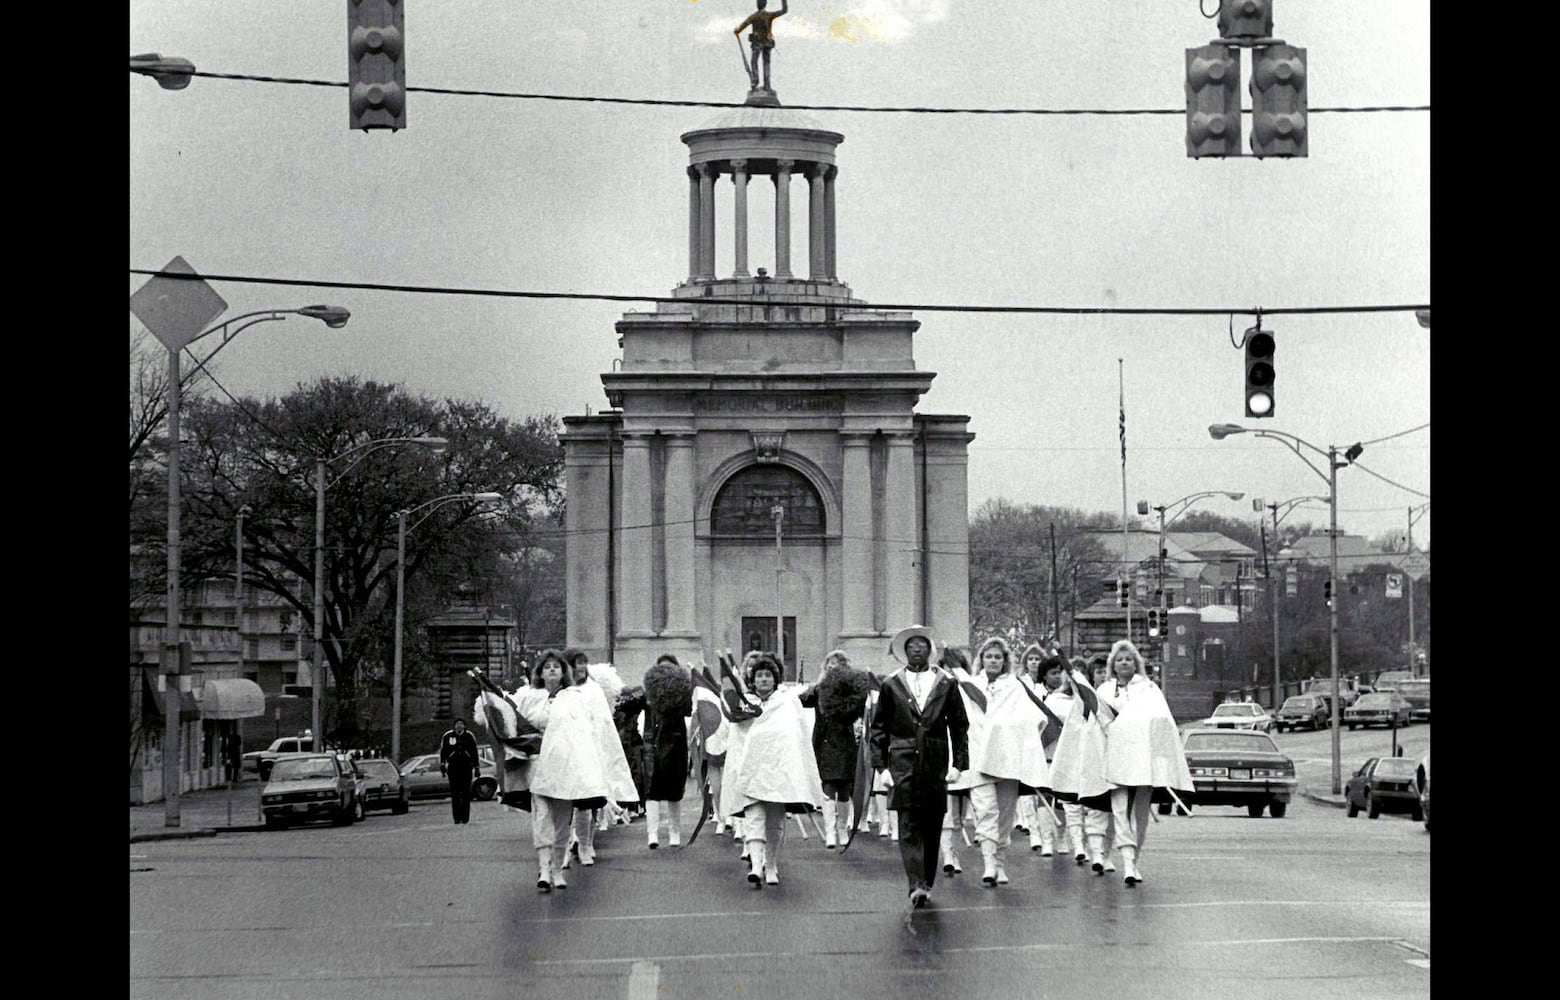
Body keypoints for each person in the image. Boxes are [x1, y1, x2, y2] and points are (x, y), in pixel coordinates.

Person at [478, 650, 640, 892]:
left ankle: (557, 869)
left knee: (563, 821)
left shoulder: (573, 697)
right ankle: (544, 868)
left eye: (556, 666)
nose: (552, 670)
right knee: (542, 817)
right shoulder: (530, 697)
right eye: (547, 667)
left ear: (563, 672)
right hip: (538, 764)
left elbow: (584, 732)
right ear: (540, 673)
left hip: (565, 766)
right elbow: (515, 725)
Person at [868, 625, 971, 910]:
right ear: (904, 651)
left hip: (936, 761)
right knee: (909, 824)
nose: (917, 649)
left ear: (930, 649)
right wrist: (882, 767)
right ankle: (915, 884)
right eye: (911, 645)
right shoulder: (891, 684)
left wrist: (959, 764)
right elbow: (878, 730)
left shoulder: (946, 683)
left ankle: (926, 880)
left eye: (922, 644)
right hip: (902, 763)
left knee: (932, 823)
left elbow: (960, 726)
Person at [718, 652, 824, 888]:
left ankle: (772, 864)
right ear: (752, 680)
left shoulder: (787, 703)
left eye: (768, 675)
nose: (763, 680)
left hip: (778, 771)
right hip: (751, 772)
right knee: (754, 818)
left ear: (775, 680)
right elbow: (737, 741)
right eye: (759, 676)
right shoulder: (743, 705)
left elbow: (796, 736)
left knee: (775, 822)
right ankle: (756, 866)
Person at [1095, 639, 1194, 887]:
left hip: (1142, 760)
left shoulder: (1149, 689)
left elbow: (1161, 720)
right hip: (1116, 758)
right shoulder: (1105, 690)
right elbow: (1098, 719)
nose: (1124, 663)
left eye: (1129, 658)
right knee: (1119, 811)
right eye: (1120, 659)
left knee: (1140, 814)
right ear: (1113, 665)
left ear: (1136, 663)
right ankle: (1124, 858)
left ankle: (1133, 860)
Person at [965, 636, 1052, 887]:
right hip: (977, 756)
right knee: (985, 811)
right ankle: (988, 863)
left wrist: (1008, 729)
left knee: (1005, 814)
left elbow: (1029, 719)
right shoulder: (969, 685)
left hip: (1006, 757)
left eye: (997, 657)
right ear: (981, 659)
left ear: (1005, 661)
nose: (993, 661)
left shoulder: (1014, 687)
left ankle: (1000, 861)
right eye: (988, 656)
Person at [797, 650, 873, 848]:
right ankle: (830, 831)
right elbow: (802, 701)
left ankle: (842, 828)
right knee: (828, 785)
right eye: (829, 663)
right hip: (824, 742)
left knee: (844, 788)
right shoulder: (819, 689)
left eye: (837, 663)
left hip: (845, 741)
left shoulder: (849, 692)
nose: (832, 666)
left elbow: (859, 705)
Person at [617, 654, 694, 849]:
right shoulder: (648, 694)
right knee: (652, 789)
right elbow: (627, 704)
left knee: (674, 790)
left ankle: (674, 833)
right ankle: (652, 833)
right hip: (653, 745)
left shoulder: (682, 693)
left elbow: (688, 709)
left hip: (676, 744)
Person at [1034, 655, 1084, 859]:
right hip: (1048, 754)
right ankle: (1046, 839)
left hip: (1070, 757)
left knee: (1068, 800)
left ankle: (1064, 838)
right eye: (1054, 673)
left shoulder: (1082, 701)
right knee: (1046, 798)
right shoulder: (1052, 699)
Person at [734, 0, 788, 92]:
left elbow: (743, 25)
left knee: (754, 61)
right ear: (765, 4)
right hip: (767, 43)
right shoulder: (769, 15)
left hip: (757, 43)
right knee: (766, 63)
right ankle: (767, 86)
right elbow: (784, 10)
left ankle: (755, 82)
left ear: (758, 5)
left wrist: (737, 30)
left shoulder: (754, 16)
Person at [438, 718, 482, 825]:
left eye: (461, 724)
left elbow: (474, 752)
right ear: (454, 726)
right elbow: (443, 751)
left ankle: (465, 817)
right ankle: (457, 818)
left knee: (466, 793)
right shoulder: (448, 736)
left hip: (466, 767)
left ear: (464, 726)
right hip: (453, 768)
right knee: (455, 794)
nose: (459, 726)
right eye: (457, 724)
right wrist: (442, 764)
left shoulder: (469, 736)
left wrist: (476, 767)